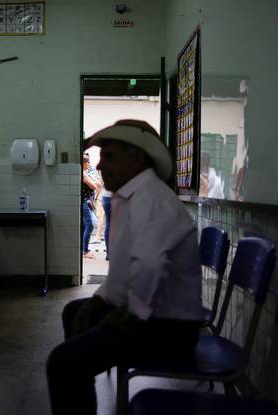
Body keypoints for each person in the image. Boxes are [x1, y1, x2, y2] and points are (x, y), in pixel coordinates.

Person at [47, 120, 204, 415]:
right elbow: (124, 269)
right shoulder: (132, 198)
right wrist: (99, 301)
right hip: (154, 316)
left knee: (63, 362)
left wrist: (126, 315)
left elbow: (149, 265)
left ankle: (79, 369)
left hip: (170, 329)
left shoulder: (152, 200)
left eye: (109, 156)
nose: (100, 165)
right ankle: (83, 381)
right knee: (75, 312)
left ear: (136, 158)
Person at [82, 153, 99, 259]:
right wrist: (92, 180)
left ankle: (83, 249)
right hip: (84, 201)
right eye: (88, 161)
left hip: (85, 201)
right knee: (90, 225)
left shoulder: (85, 172)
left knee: (84, 225)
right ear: (84, 163)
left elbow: (97, 183)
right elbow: (94, 185)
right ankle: (85, 251)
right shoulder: (83, 174)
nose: (89, 163)